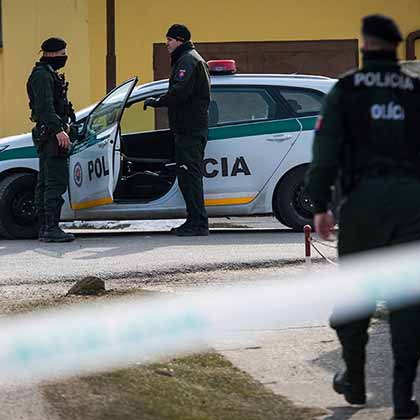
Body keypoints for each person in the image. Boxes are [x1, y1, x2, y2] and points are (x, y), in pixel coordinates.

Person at [305, 14, 420, 419]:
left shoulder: (346, 89)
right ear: (395, 46)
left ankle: (354, 379)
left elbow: (324, 154)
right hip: (413, 204)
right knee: (410, 300)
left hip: (362, 202)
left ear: (365, 43)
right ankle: (403, 398)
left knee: (357, 293)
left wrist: (319, 205)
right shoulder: (415, 90)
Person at [144, 24, 210, 236]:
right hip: (189, 128)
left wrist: (157, 101)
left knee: (189, 177)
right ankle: (195, 220)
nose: (167, 45)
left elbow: (179, 93)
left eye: (170, 41)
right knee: (188, 177)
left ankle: (198, 223)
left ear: (180, 40)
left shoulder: (188, 61)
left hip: (190, 130)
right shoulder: (189, 58)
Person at [27, 37, 75, 242]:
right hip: (51, 135)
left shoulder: (47, 74)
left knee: (46, 180)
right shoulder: (41, 76)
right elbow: (44, 108)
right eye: (63, 54)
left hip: (50, 133)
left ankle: (45, 227)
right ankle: (50, 228)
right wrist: (59, 130)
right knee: (54, 180)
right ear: (53, 54)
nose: (65, 57)